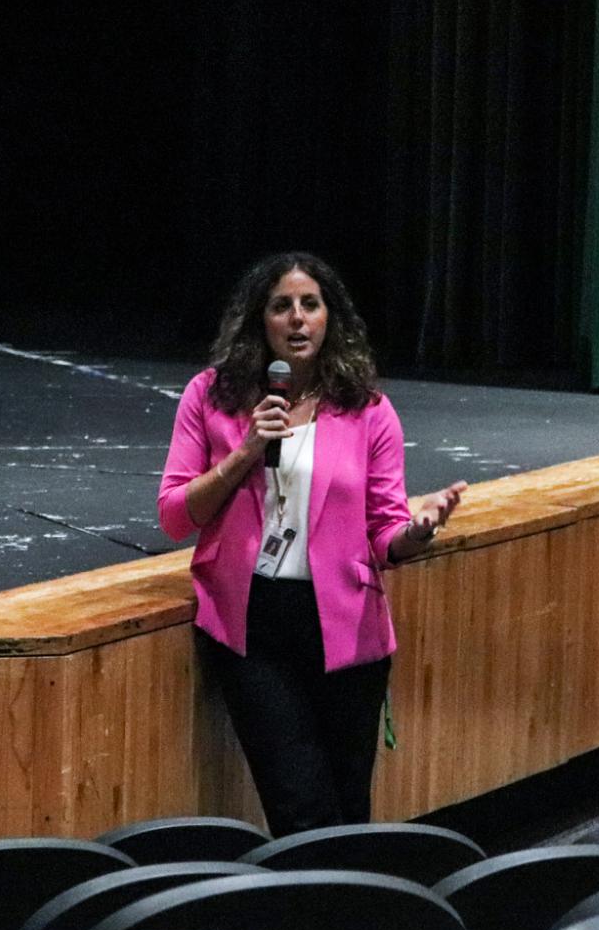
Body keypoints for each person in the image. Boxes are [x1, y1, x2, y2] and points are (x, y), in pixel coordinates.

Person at [158, 251, 466, 836]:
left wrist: (416, 533)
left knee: (349, 810)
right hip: (252, 625)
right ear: (259, 320)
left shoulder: (368, 409)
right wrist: (246, 451)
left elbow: (383, 533)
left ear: (330, 319)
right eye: (281, 307)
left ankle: (346, 923)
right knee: (299, 808)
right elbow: (175, 515)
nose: (297, 319)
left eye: (310, 305)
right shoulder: (212, 397)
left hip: (345, 629)